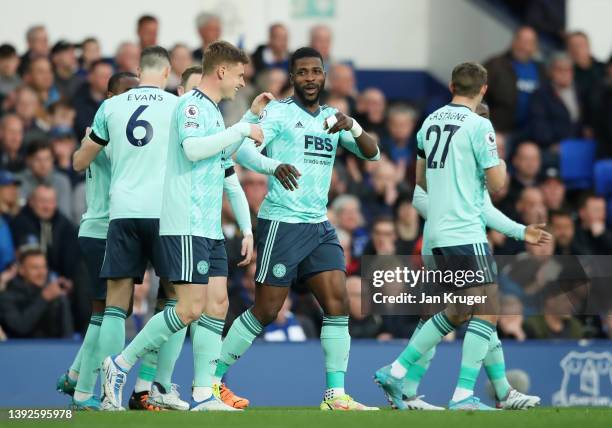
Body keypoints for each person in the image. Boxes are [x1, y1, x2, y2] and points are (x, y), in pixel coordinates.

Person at [101, 41, 265, 412]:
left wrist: (250, 120)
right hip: (186, 223)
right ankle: (120, 364)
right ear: (221, 71)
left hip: (209, 225)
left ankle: (204, 393)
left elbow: (224, 163)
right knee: (188, 308)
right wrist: (242, 127)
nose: (242, 83)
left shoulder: (214, 112)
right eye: (239, 75)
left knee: (218, 304)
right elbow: (193, 149)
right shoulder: (190, 105)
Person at [375, 63, 545, 411]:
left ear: (452, 85)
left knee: (462, 310)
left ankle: (404, 374)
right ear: (483, 90)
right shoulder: (481, 127)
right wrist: (496, 171)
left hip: (437, 236)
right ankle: (457, 393)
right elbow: (497, 186)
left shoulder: (428, 123)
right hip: (464, 234)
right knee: (484, 310)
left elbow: (421, 181)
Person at [224, 47, 381, 411]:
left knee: (338, 303)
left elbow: (372, 155)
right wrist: (274, 166)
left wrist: (353, 125)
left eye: (316, 71)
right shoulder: (278, 113)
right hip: (282, 223)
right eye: (303, 72)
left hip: (319, 225)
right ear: (292, 78)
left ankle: (335, 395)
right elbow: (244, 154)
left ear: (324, 76)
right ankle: (213, 380)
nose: (310, 78)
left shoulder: (332, 119)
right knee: (266, 309)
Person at [71, 46, 178, 410]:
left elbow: (79, 160)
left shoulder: (111, 107)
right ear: (166, 72)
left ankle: (105, 392)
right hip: (163, 214)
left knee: (114, 308)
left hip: (121, 214)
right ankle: (152, 383)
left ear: (139, 69)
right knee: (176, 301)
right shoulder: (177, 105)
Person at [54, 71, 139, 410]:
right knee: (108, 313)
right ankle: (84, 392)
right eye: (124, 93)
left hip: (104, 230)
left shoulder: (104, 130)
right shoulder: (105, 131)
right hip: (104, 230)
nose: (132, 100)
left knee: (105, 313)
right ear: (108, 96)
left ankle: (77, 377)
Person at [10, 185, 78, 284]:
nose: (46, 207)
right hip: (27, 282)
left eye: (50, 202)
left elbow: (70, 259)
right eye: (42, 201)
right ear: (31, 202)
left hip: (60, 281)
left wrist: (67, 280)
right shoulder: (19, 223)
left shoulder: (65, 225)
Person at [0, 246, 73, 338]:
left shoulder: (56, 297)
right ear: (21, 270)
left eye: (44, 267)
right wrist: (44, 298)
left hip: (54, 351)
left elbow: (67, 337)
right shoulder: (7, 297)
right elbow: (19, 327)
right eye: (35, 268)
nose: (41, 273)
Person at [484, 26, 545, 134]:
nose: (524, 46)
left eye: (529, 43)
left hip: (532, 133)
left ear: (535, 47)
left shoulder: (541, 69)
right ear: (513, 42)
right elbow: (476, 98)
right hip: (499, 131)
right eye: (521, 41)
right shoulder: (495, 65)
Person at [18, 140, 72, 219]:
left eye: (47, 159)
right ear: (28, 160)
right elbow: (18, 212)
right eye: (38, 159)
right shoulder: (18, 181)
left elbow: (65, 214)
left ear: (53, 160)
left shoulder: (62, 181)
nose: (43, 164)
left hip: (55, 227)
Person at [72, 60, 113, 139]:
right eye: (102, 76)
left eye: (110, 76)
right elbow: (83, 128)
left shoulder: (118, 98)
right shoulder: (79, 100)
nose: (108, 80)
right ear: (90, 77)